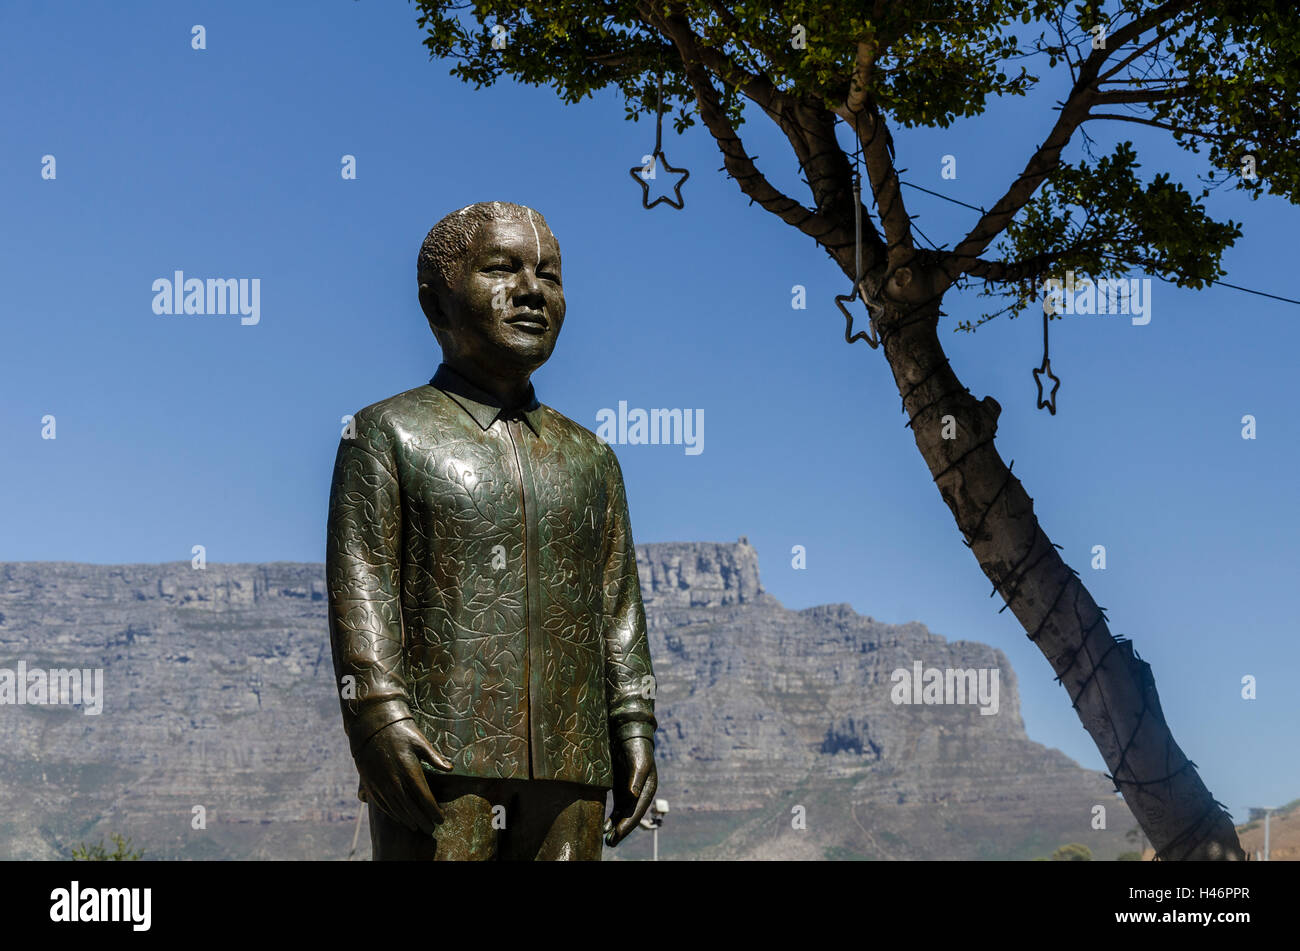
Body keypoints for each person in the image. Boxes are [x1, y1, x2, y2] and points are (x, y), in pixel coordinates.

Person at [326, 201, 657, 860]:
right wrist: (378, 714)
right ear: (436, 302)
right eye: (502, 268)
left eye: (550, 275)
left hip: (572, 758)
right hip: (439, 753)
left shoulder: (591, 457)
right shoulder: (387, 433)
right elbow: (362, 587)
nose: (532, 290)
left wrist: (634, 720)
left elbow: (617, 606)